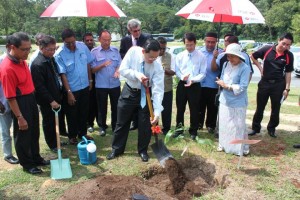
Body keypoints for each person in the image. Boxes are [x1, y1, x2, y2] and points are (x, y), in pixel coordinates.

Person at [106, 39, 164, 162]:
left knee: (145, 124)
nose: (153, 60)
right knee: (122, 122)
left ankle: (142, 150)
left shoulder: (157, 66)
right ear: (144, 51)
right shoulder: (133, 52)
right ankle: (117, 149)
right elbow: (122, 70)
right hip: (130, 91)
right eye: (151, 57)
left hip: (146, 95)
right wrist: (138, 75)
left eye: (156, 57)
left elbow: (158, 90)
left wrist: (157, 112)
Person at [0, 32, 49, 174]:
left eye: (29, 49)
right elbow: (10, 97)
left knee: (34, 132)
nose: (27, 52)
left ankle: (36, 157)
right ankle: (27, 164)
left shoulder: (22, 61)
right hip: (20, 103)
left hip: (30, 99)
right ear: (11, 47)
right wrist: (20, 117)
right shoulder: (7, 68)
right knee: (23, 135)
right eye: (24, 49)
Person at [249, 33, 294, 138]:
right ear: (279, 40)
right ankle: (255, 128)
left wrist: (287, 89)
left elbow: (288, 73)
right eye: (284, 43)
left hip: (278, 85)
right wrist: (260, 68)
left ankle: (271, 129)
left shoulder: (289, 55)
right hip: (264, 83)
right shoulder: (267, 49)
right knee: (260, 107)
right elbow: (253, 56)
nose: (285, 47)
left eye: (288, 45)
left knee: (276, 108)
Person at [54, 28, 94, 145]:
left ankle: (82, 133)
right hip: (72, 89)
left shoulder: (82, 47)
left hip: (85, 86)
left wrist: (90, 80)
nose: (71, 45)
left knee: (84, 111)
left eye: (73, 42)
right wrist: (69, 92)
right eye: (68, 43)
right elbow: (63, 74)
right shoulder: (59, 54)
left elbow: (87, 63)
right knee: (72, 113)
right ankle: (72, 135)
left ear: (75, 38)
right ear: (63, 41)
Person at [215, 43, 251, 155]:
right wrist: (220, 82)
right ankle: (224, 144)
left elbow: (243, 86)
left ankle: (239, 148)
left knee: (238, 125)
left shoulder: (245, 68)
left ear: (239, 56)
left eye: (232, 56)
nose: (230, 59)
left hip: (238, 101)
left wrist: (227, 86)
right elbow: (222, 78)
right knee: (225, 123)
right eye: (228, 56)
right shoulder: (226, 64)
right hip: (225, 99)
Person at [30, 35, 63, 153]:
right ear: (41, 48)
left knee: (56, 120)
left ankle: (56, 139)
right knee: (49, 122)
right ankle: (52, 144)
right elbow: (39, 87)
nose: (53, 52)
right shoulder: (38, 64)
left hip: (56, 95)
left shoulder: (50, 59)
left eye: (54, 49)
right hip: (46, 100)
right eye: (50, 49)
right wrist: (51, 101)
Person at [173, 32, 207, 140]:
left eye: (191, 45)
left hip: (194, 85)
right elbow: (177, 70)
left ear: (195, 43)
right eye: (187, 45)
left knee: (194, 109)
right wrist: (182, 76)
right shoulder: (179, 56)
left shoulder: (201, 56)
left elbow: (203, 73)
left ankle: (193, 131)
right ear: (184, 43)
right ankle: (179, 130)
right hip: (182, 85)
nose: (189, 47)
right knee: (180, 108)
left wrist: (193, 79)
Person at [119, 18, 151, 131]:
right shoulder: (125, 40)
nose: (137, 33)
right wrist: (129, 61)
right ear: (130, 30)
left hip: (144, 71)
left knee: (144, 100)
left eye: (138, 30)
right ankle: (134, 122)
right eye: (134, 31)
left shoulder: (147, 38)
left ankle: (146, 122)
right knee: (132, 99)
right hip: (131, 72)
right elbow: (122, 53)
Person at [91, 30, 121, 136]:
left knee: (116, 106)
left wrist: (117, 71)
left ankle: (115, 126)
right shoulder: (94, 52)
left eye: (109, 40)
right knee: (101, 107)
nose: (107, 42)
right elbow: (92, 70)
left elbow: (120, 64)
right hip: (101, 85)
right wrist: (103, 65)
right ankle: (102, 127)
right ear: (99, 39)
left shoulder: (115, 50)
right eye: (104, 40)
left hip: (114, 84)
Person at [199, 32, 223, 134]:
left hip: (213, 85)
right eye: (208, 42)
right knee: (199, 106)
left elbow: (214, 69)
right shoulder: (199, 52)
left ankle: (210, 125)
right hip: (200, 84)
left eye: (213, 42)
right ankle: (198, 124)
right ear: (204, 41)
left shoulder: (220, 53)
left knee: (212, 107)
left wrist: (215, 57)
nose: (210, 44)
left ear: (216, 42)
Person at [0, 40, 19, 165]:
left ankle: (21, 151)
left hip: (17, 101)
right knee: (5, 130)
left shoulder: (18, 60)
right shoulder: (2, 61)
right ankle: (8, 154)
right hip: (4, 102)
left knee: (18, 128)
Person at [156, 36, 175, 135]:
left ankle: (166, 128)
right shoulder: (152, 55)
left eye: (164, 48)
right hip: (154, 89)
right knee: (155, 109)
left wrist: (164, 70)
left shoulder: (170, 56)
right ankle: (155, 128)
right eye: (160, 48)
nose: (162, 50)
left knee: (167, 110)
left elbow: (173, 72)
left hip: (167, 88)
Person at [83, 32, 98, 133]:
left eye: (91, 40)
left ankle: (99, 122)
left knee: (96, 102)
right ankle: (89, 123)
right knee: (88, 102)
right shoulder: (82, 51)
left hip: (98, 80)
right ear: (83, 41)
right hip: (86, 80)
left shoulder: (96, 51)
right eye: (87, 40)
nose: (89, 42)